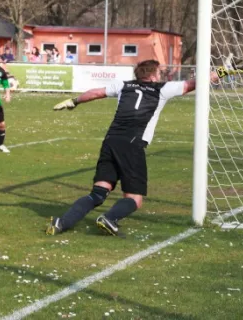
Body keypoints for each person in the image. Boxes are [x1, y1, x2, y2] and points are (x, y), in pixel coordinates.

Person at [46, 59, 220, 236]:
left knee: (98, 193)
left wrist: (74, 101)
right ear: (152, 75)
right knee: (134, 199)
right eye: (158, 72)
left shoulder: (123, 85)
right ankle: (109, 218)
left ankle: (61, 223)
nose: (160, 75)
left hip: (111, 141)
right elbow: (194, 83)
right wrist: (224, 71)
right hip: (132, 145)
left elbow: (96, 92)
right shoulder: (162, 89)